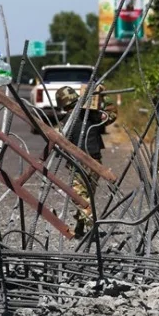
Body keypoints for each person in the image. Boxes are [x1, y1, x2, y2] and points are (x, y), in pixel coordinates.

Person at [55, 86, 117, 237]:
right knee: (87, 195)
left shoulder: (66, 122)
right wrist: (103, 96)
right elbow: (112, 114)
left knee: (81, 198)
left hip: (77, 163)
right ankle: (80, 227)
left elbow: (59, 142)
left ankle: (92, 229)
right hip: (95, 161)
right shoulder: (92, 115)